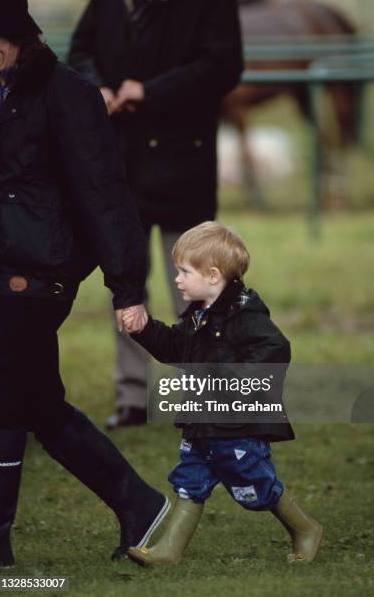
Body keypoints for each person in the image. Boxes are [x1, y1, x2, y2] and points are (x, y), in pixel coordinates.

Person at [0, 0, 170, 568]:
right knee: (39, 403)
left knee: (4, 400)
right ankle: (140, 505)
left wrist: (126, 286)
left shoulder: (66, 94)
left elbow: (105, 195)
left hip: (38, 279)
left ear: (17, 36)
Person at [68, 0, 244, 428]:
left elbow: (223, 65)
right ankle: (133, 396)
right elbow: (81, 48)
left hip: (183, 162)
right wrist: (99, 88)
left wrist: (150, 91)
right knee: (126, 286)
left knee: (198, 285)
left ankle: (205, 397)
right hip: (122, 165)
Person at [123, 222, 323, 566]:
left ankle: (306, 530)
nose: (177, 279)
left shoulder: (245, 314)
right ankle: (169, 551)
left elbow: (275, 350)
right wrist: (144, 329)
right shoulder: (198, 316)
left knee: (257, 486)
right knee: (190, 481)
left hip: (237, 426)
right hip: (202, 424)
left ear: (213, 275)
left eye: (185, 271)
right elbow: (175, 347)